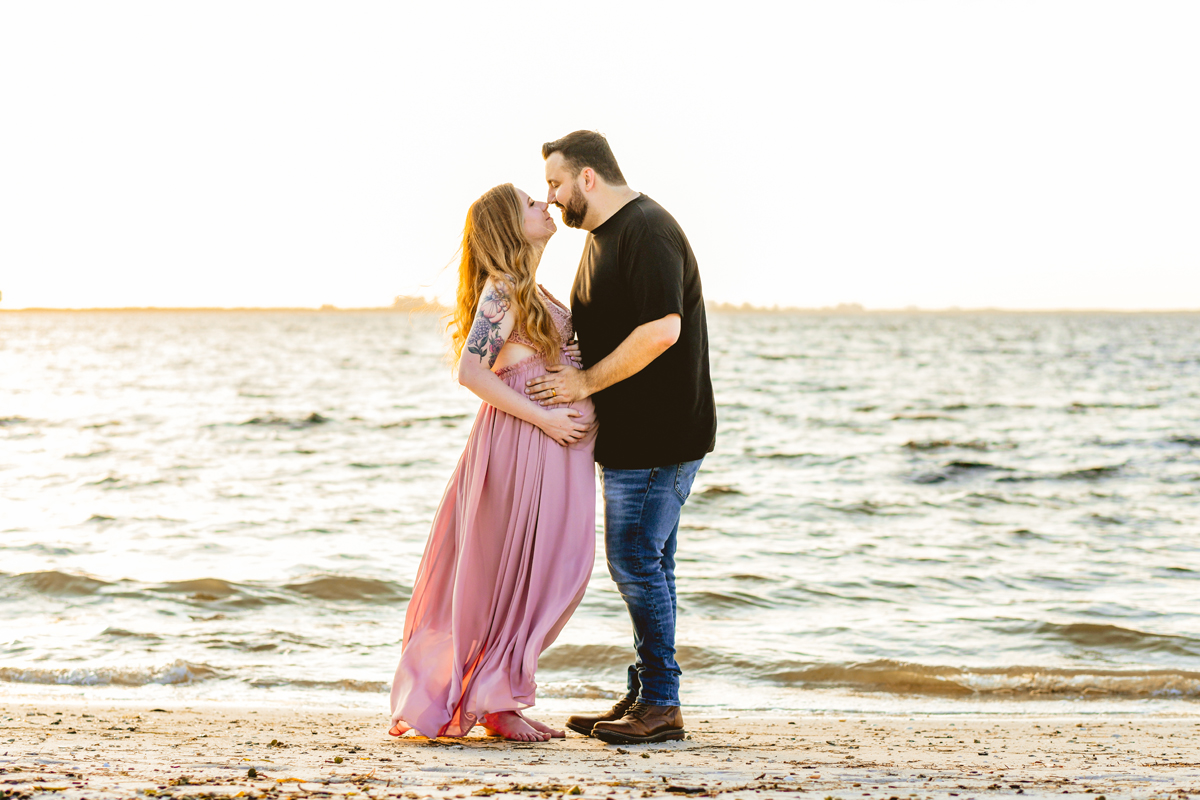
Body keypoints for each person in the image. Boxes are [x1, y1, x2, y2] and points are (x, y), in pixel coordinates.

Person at [524, 131, 717, 744]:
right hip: (633, 434)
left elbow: (662, 330)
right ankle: (647, 691)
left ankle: (661, 701)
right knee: (650, 563)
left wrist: (583, 385)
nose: (550, 198)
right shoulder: (602, 240)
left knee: (634, 560)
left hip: (660, 434)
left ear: (587, 178)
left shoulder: (647, 229)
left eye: (556, 183)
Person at [387, 183, 597, 743]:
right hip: (521, 443)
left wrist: (568, 357)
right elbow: (471, 372)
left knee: (550, 569)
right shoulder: (502, 290)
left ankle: (499, 690)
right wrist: (547, 419)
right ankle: (497, 701)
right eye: (533, 203)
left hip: (547, 446)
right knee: (514, 571)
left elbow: (526, 356)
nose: (545, 205)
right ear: (509, 226)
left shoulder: (532, 290)